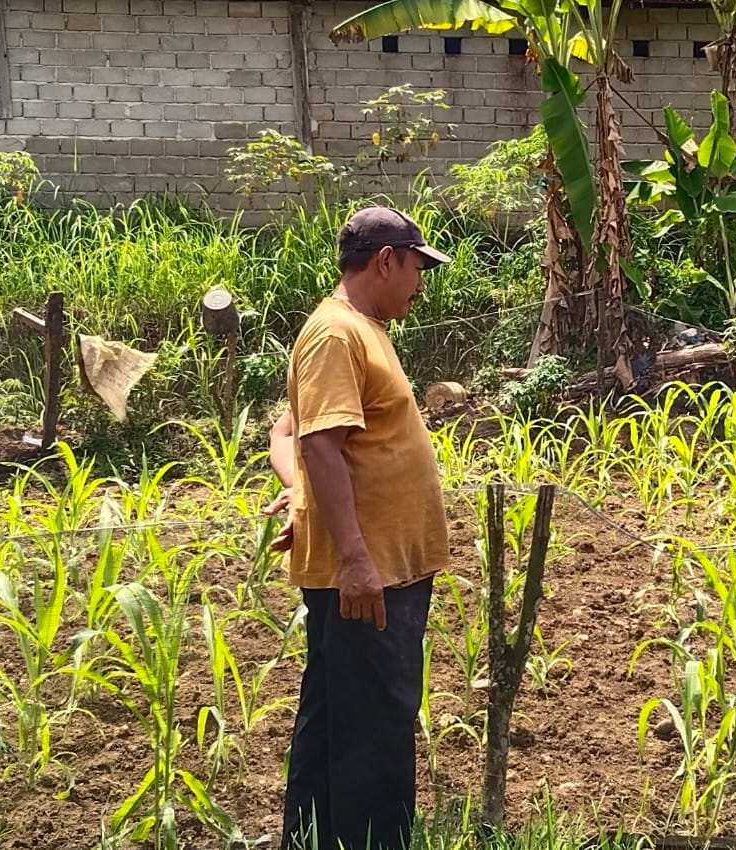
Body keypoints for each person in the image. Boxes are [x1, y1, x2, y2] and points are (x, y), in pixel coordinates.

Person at [268, 206, 452, 850]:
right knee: (375, 730)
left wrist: (300, 500)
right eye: (416, 269)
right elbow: (315, 444)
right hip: (368, 575)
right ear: (386, 261)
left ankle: (313, 839)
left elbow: (294, 436)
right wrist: (352, 557)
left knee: (335, 722)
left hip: (384, 567)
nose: (420, 285)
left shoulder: (363, 330)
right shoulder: (336, 335)